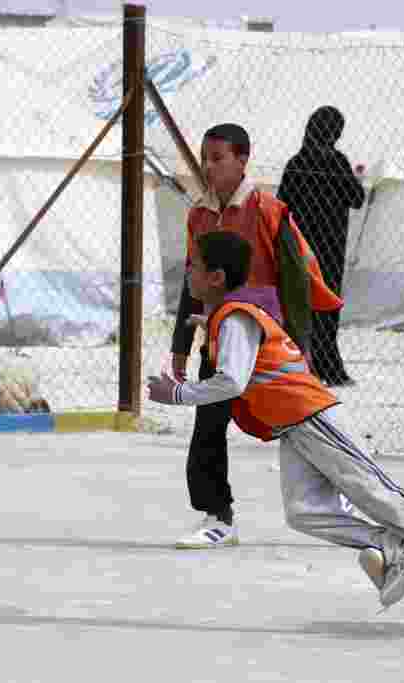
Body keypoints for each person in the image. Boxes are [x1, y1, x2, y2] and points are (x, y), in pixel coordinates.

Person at [151, 230, 404, 610]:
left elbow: (231, 382)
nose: (189, 272)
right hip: (294, 427)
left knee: (378, 496)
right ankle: (393, 545)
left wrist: (177, 394)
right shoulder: (228, 318)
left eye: (196, 266)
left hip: (314, 416)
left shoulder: (235, 319)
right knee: (304, 511)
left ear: (216, 277)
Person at [170, 123, 344, 550]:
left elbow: (296, 278)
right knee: (208, 425)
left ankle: (340, 493)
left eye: (218, 159)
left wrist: (301, 345)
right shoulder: (199, 215)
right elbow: (190, 283)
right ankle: (218, 517)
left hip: (267, 344)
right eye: (205, 160)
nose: (208, 168)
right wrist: (180, 345)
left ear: (243, 160)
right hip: (221, 336)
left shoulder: (269, 210)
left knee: (299, 425)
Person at [277, 106, 366, 386]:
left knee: (303, 305)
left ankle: (305, 365)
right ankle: (329, 366)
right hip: (331, 247)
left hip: (303, 247)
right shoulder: (337, 162)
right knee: (327, 304)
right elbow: (357, 198)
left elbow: (283, 204)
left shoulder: (297, 162)